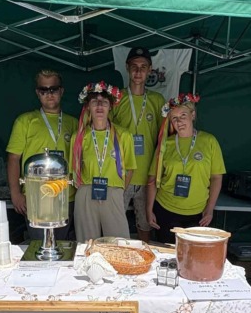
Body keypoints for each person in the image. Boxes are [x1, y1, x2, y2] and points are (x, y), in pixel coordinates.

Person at [6, 70, 78, 241]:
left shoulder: (73, 123)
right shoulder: (25, 121)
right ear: (38, 93)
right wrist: (15, 193)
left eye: (53, 89)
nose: (49, 94)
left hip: (66, 195)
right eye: (44, 90)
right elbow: (13, 158)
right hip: (36, 196)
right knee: (40, 245)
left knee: (62, 244)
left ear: (61, 91)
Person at [146, 94, 226, 243]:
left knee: (193, 253)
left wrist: (209, 209)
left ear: (192, 115)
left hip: (198, 213)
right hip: (166, 209)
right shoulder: (165, 144)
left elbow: (216, 177)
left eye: (183, 115)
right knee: (167, 253)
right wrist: (149, 210)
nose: (179, 121)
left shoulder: (209, 141)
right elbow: (152, 178)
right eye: (174, 118)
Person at [110, 47, 165, 243]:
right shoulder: (116, 98)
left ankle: (143, 256)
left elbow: (163, 139)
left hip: (147, 176)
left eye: (143, 67)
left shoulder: (157, 100)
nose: (138, 71)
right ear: (127, 68)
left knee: (145, 225)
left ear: (150, 70)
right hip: (120, 174)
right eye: (134, 66)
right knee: (114, 224)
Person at [70, 81, 137, 242]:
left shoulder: (124, 135)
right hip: (86, 191)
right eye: (95, 101)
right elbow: (74, 169)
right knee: (86, 243)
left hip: (113, 191)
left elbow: (130, 169)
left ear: (110, 106)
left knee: (118, 243)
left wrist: (118, 190)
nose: (99, 106)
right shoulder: (79, 137)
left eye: (104, 102)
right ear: (88, 106)